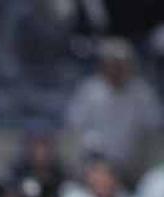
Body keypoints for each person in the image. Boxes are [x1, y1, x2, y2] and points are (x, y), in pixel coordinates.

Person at [65, 38, 162, 181]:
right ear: (104, 66)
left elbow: (155, 127)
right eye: (112, 64)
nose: (117, 70)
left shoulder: (142, 93)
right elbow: (74, 127)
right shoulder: (90, 91)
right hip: (96, 166)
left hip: (133, 167)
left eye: (121, 65)